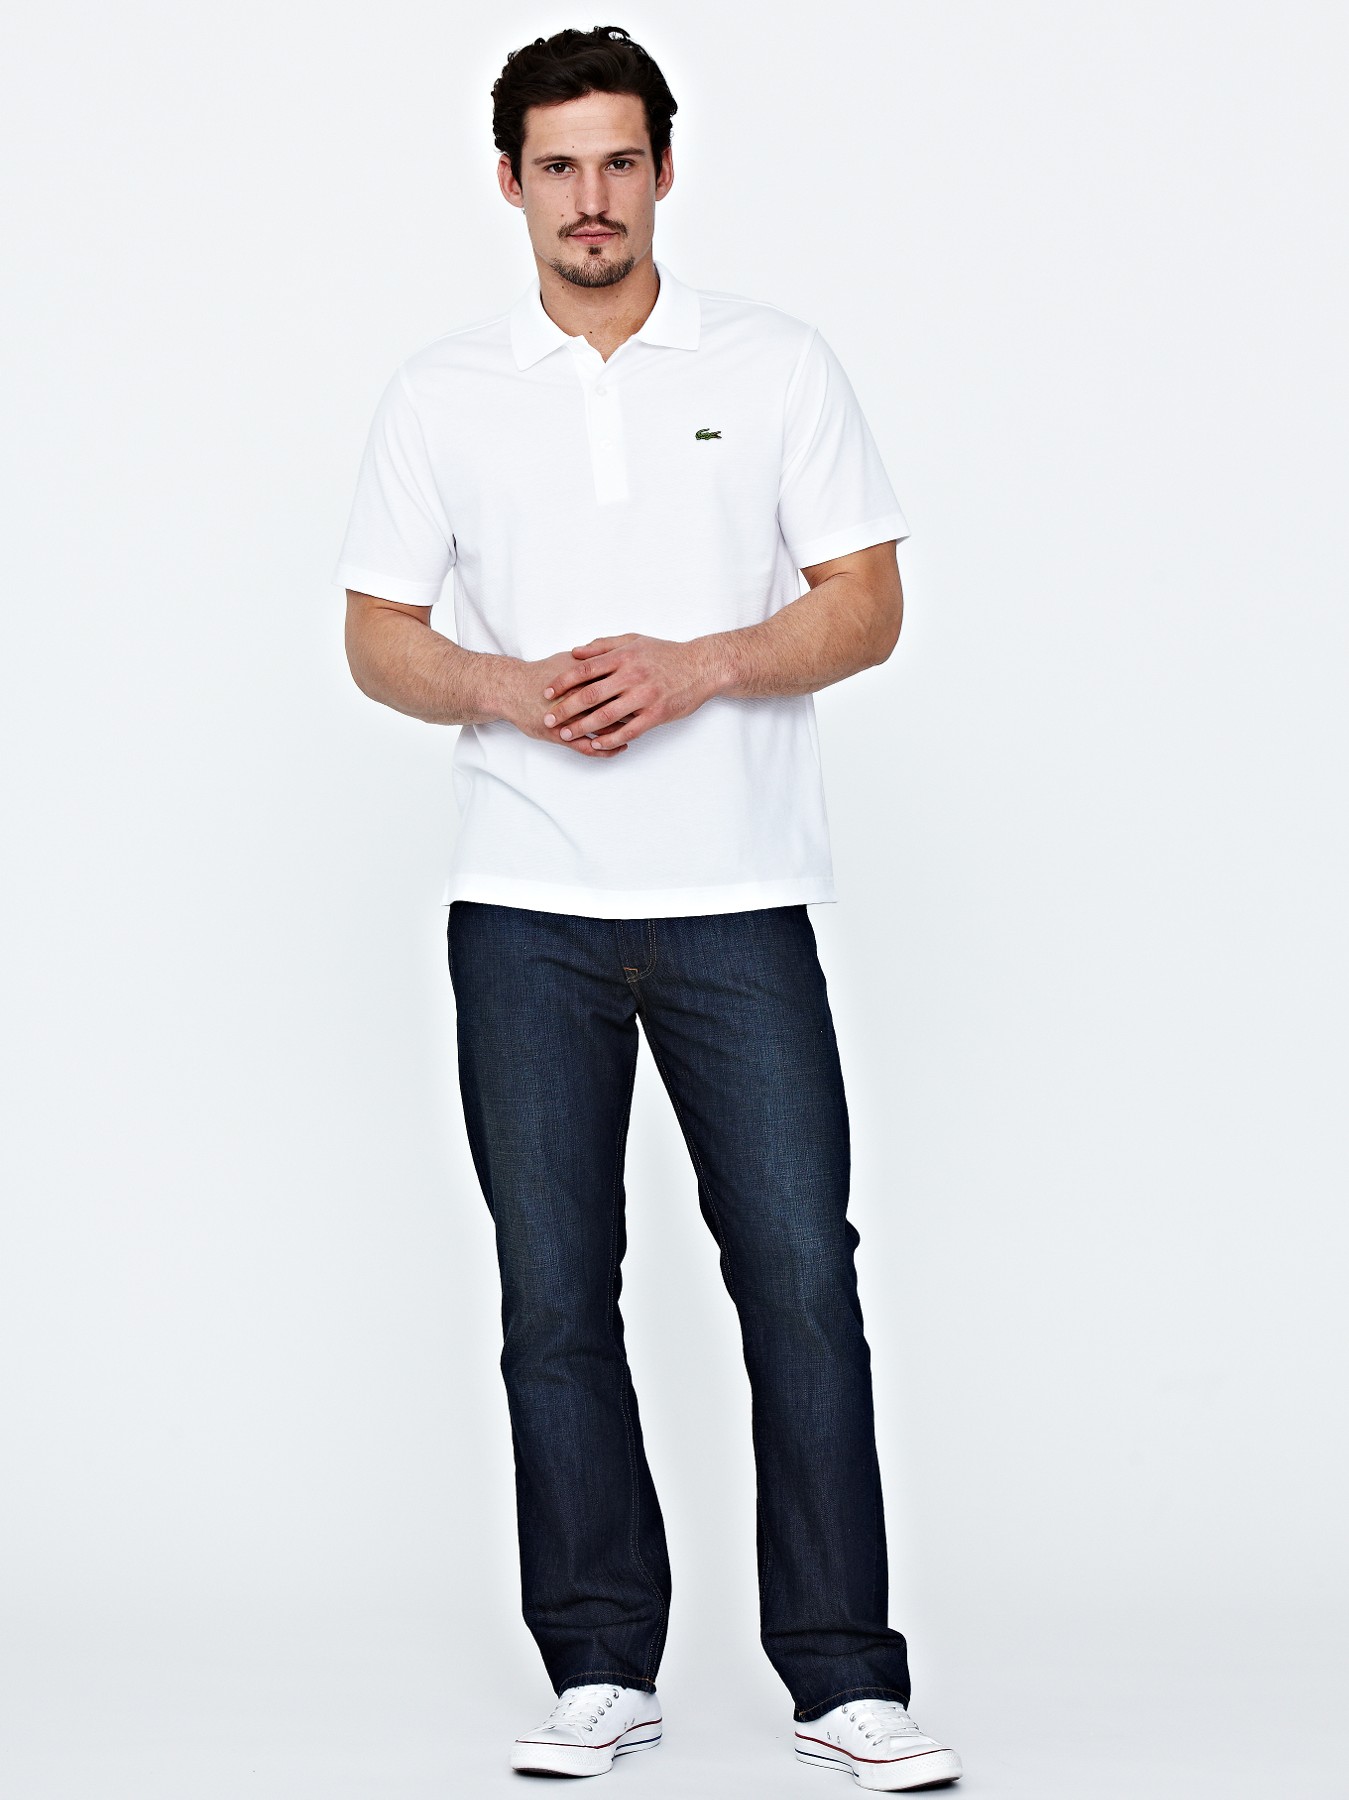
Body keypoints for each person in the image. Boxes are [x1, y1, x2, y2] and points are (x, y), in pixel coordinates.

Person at [332, 24, 962, 1791]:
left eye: (619, 161)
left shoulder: (774, 363)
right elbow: (376, 635)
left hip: (737, 900)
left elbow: (865, 605)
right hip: (521, 904)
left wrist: (700, 664)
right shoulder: (443, 391)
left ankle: (842, 1677)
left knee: (799, 1283)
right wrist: (501, 687)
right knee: (553, 1299)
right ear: (510, 183)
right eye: (558, 166)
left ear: (664, 172)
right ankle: (600, 1665)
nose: (590, 197)